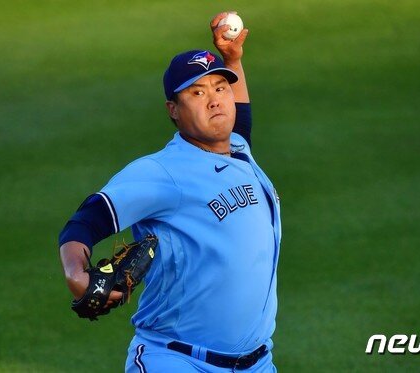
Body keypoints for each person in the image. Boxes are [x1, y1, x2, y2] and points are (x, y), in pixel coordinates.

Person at [59, 11, 281, 372]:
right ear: (173, 110)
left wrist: (233, 61)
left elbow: (238, 119)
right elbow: (86, 220)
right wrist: (75, 272)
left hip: (257, 363)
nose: (214, 101)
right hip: (177, 360)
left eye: (220, 89)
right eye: (197, 92)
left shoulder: (238, 149)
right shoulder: (163, 172)